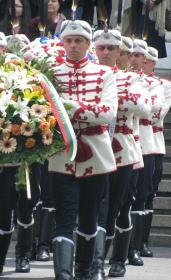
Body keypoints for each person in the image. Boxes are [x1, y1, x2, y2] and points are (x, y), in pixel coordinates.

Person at [49, 19, 118, 279]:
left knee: (89, 218)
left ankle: (85, 271)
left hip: (97, 155)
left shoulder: (105, 73)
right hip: (60, 154)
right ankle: (63, 275)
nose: (73, 45)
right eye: (68, 40)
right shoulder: (52, 74)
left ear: (89, 44)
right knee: (64, 218)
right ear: (63, 43)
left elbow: (108, 113)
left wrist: (70, 106)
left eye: (78, 40)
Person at [0, 31, 41, 277]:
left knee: (26, 207)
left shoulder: (20, 76)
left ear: (3, 51)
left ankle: (23, 254)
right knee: (2, 210)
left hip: (24, 155)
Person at [91, 29, 147, 280]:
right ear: (94, 50)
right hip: (91, 150)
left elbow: (144, 105)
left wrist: (107, 99)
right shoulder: (88, 76)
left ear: (119, 53)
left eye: (111, 49)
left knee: (118, 208)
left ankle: (117, 260)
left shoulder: (131, 78)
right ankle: (95, 263)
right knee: (95, 209)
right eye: (101, 48)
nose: (105, 53)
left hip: (122, 151)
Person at [127, 39, 164, 267]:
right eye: (129, 54)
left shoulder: (159, 84)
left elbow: (155, 112)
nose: (132, 59)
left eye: (137, 55)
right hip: (120, 143)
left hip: (146, 145)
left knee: (141, 196)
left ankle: (134, 247)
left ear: (146, 60)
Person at [139, 47, 171, 258]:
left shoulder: (164, 85)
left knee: (148, 194)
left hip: (153, 143)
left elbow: (157, 114)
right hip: (130, 143)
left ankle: (142, 241)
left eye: (145, 61)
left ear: (153, 63)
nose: (140, 64)